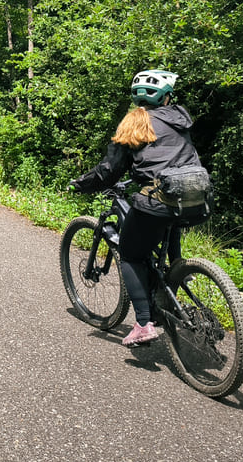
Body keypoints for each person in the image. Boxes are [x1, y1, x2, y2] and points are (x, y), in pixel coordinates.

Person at [67, 70, 203, 346]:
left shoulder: (134, 122)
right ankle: (176, 275)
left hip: (158, 198)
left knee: (129, 253)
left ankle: (143, 324)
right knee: (167, 225)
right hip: (196, 195)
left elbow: (109, 171)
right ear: (167, 98)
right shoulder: (180, 118)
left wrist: (82, 184)